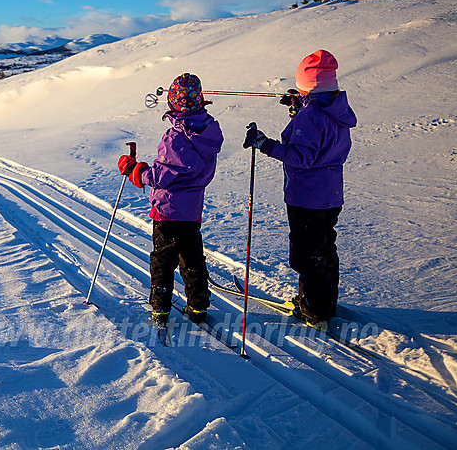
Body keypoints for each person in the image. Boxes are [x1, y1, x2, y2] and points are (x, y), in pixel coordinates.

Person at [243, 49, 357, 327]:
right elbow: (318, 135)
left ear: (308, 85)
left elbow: (302, 156)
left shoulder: (311, 117)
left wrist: (264, 144)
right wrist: (300, 106)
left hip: (307, 197)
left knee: (309, 254)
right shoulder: (335, 109)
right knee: (324, 248)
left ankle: (314, 310)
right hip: (330, 194)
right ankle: (324, 302)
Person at [118, 73, 223, 326]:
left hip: (168, 211)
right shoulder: (208, 131)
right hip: (192, 210)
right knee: (192, 257)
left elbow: (161, 176)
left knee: (163, 260)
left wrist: (135, 170)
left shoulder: (176, 137)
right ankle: (198, 304)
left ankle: (161, 307)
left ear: (173, 104)